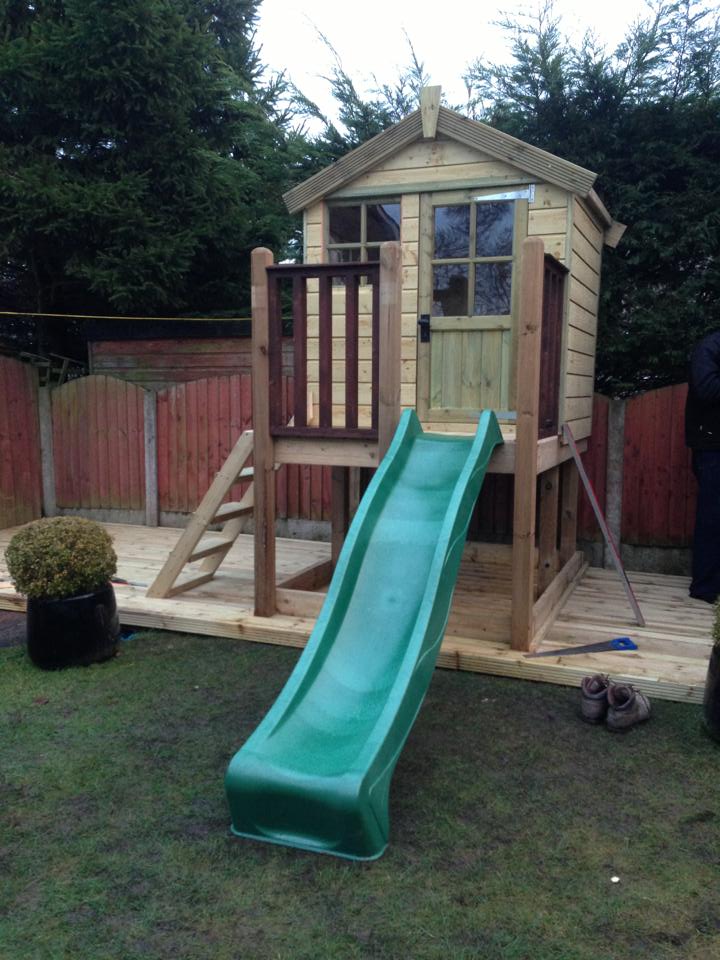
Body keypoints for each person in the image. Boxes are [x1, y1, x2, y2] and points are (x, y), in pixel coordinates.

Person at [685, 330, 720, 603]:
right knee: (712, 517)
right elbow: (706, 388)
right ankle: (705, 588)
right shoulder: (709, 347)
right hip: (712, 447)